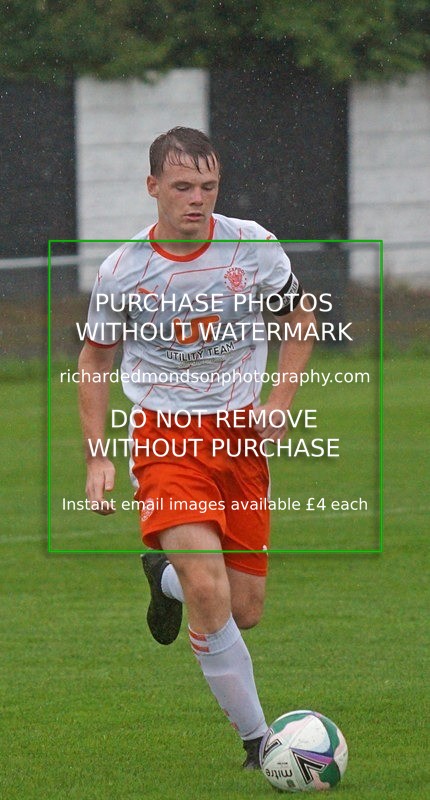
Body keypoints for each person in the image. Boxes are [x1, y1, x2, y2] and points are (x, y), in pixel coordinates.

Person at [78, 127, 315, 770]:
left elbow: (300, 318)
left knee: (245, 609)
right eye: (182, 186)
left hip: (240, 437)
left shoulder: (254, 246)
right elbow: (95, 359)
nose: (197, 199)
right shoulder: (124, 270)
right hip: (166, 440)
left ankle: (166, 579)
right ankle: (261, 744)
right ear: (152, 186)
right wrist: (98, 455)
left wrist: (279, 400)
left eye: (208, 186)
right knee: (211, 594)